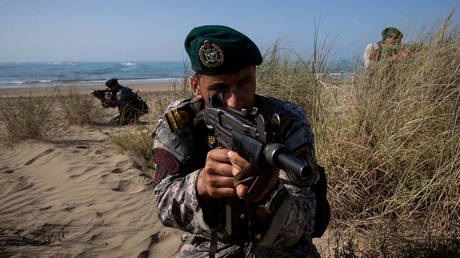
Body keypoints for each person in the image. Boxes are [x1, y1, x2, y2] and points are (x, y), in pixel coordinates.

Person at [152, 25, 329, 257]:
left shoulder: (287, 119)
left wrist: (269, 196)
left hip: (279, 244)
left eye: (244, 83)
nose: (234, 101)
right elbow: (164, 206)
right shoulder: (181, 122)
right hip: (211, 242)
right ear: (196, 86)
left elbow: (306, 218)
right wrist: (201, 185)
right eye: (219, 89)